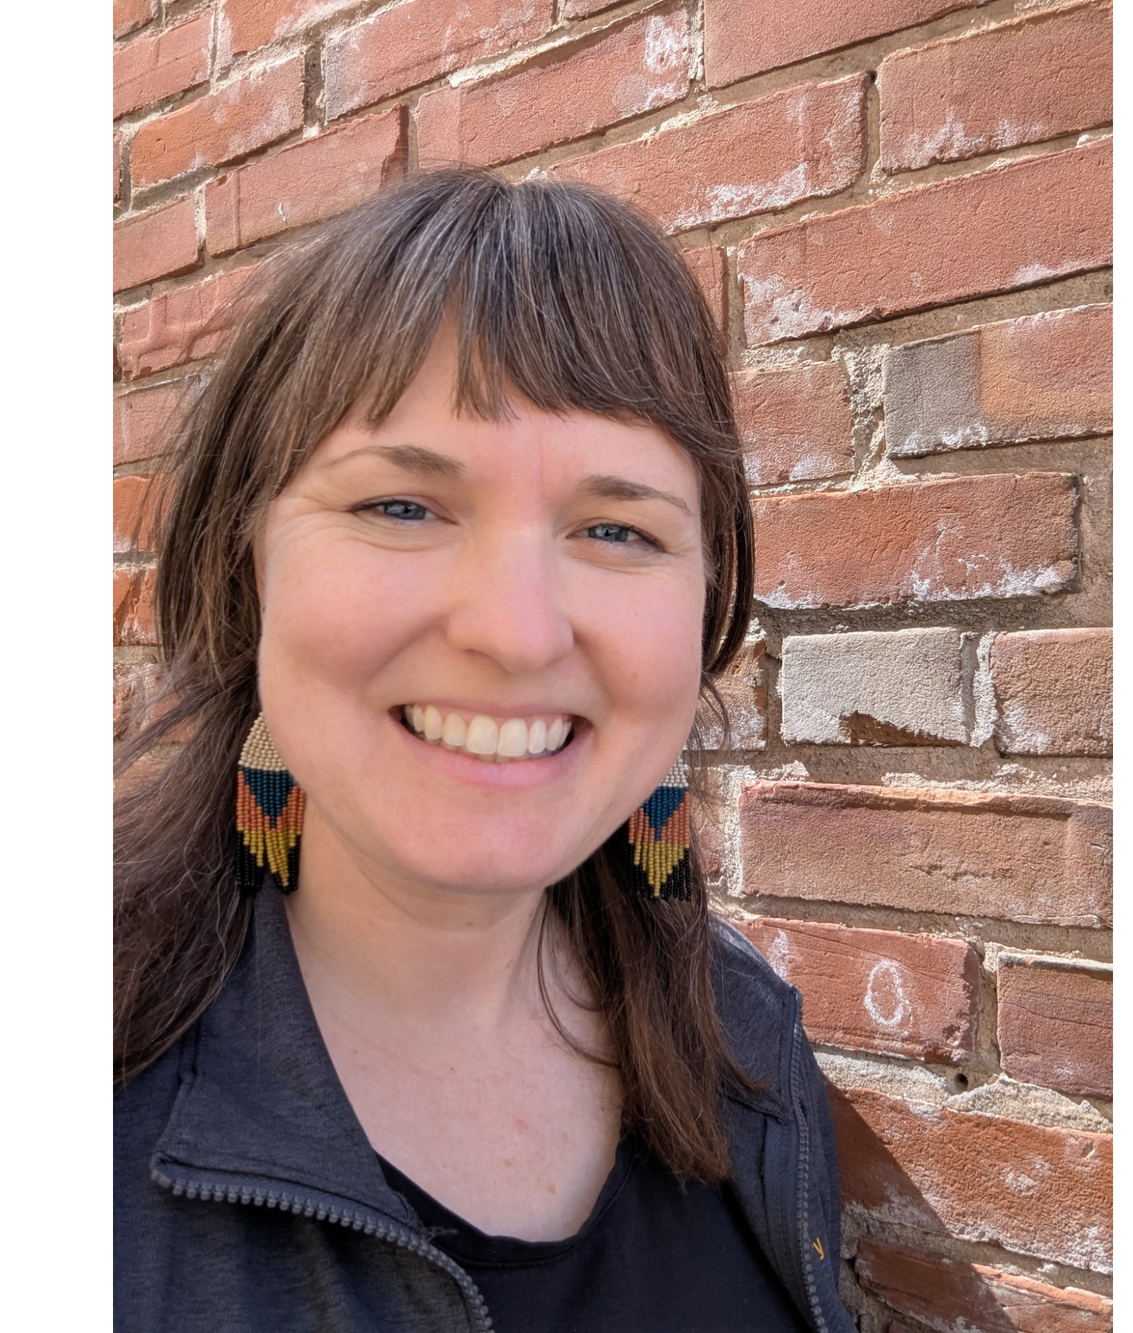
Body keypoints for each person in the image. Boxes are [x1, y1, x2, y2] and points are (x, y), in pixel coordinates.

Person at [114, 170, 855, 1333]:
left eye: (617, 529)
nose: (515, 632)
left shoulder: (746, 1043)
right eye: (402, 506)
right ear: (242, 566)